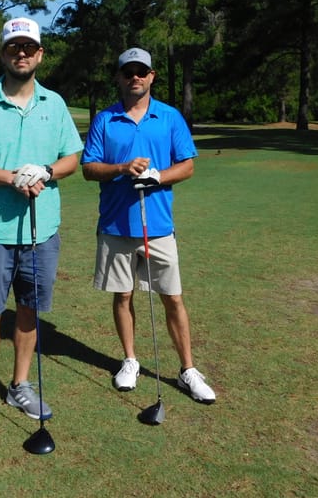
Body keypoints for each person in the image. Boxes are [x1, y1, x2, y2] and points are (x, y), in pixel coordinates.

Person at [0, 17, 84, 434]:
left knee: (29, 309)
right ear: (3, 53)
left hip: (41, 229)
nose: (22, 53)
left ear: (40, 54)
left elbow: (72, 158)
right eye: (14, 47)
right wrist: (12, 177)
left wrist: (45, 171)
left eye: (29, 47)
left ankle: (20, 384)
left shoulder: (55, 103)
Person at [81, 47, 216, 404]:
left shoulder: (169, 117)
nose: (135, 78)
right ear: (120, 77)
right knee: (122, 295)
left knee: (172, 298)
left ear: (152, 76)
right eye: (129, 72)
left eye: (142, 72)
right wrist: (122, 169)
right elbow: (89, 168)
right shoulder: (105, 120)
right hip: (115, 225)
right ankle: (130, 360)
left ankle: (187, 369)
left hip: (158, 225)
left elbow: (186, 165)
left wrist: (157, 176)